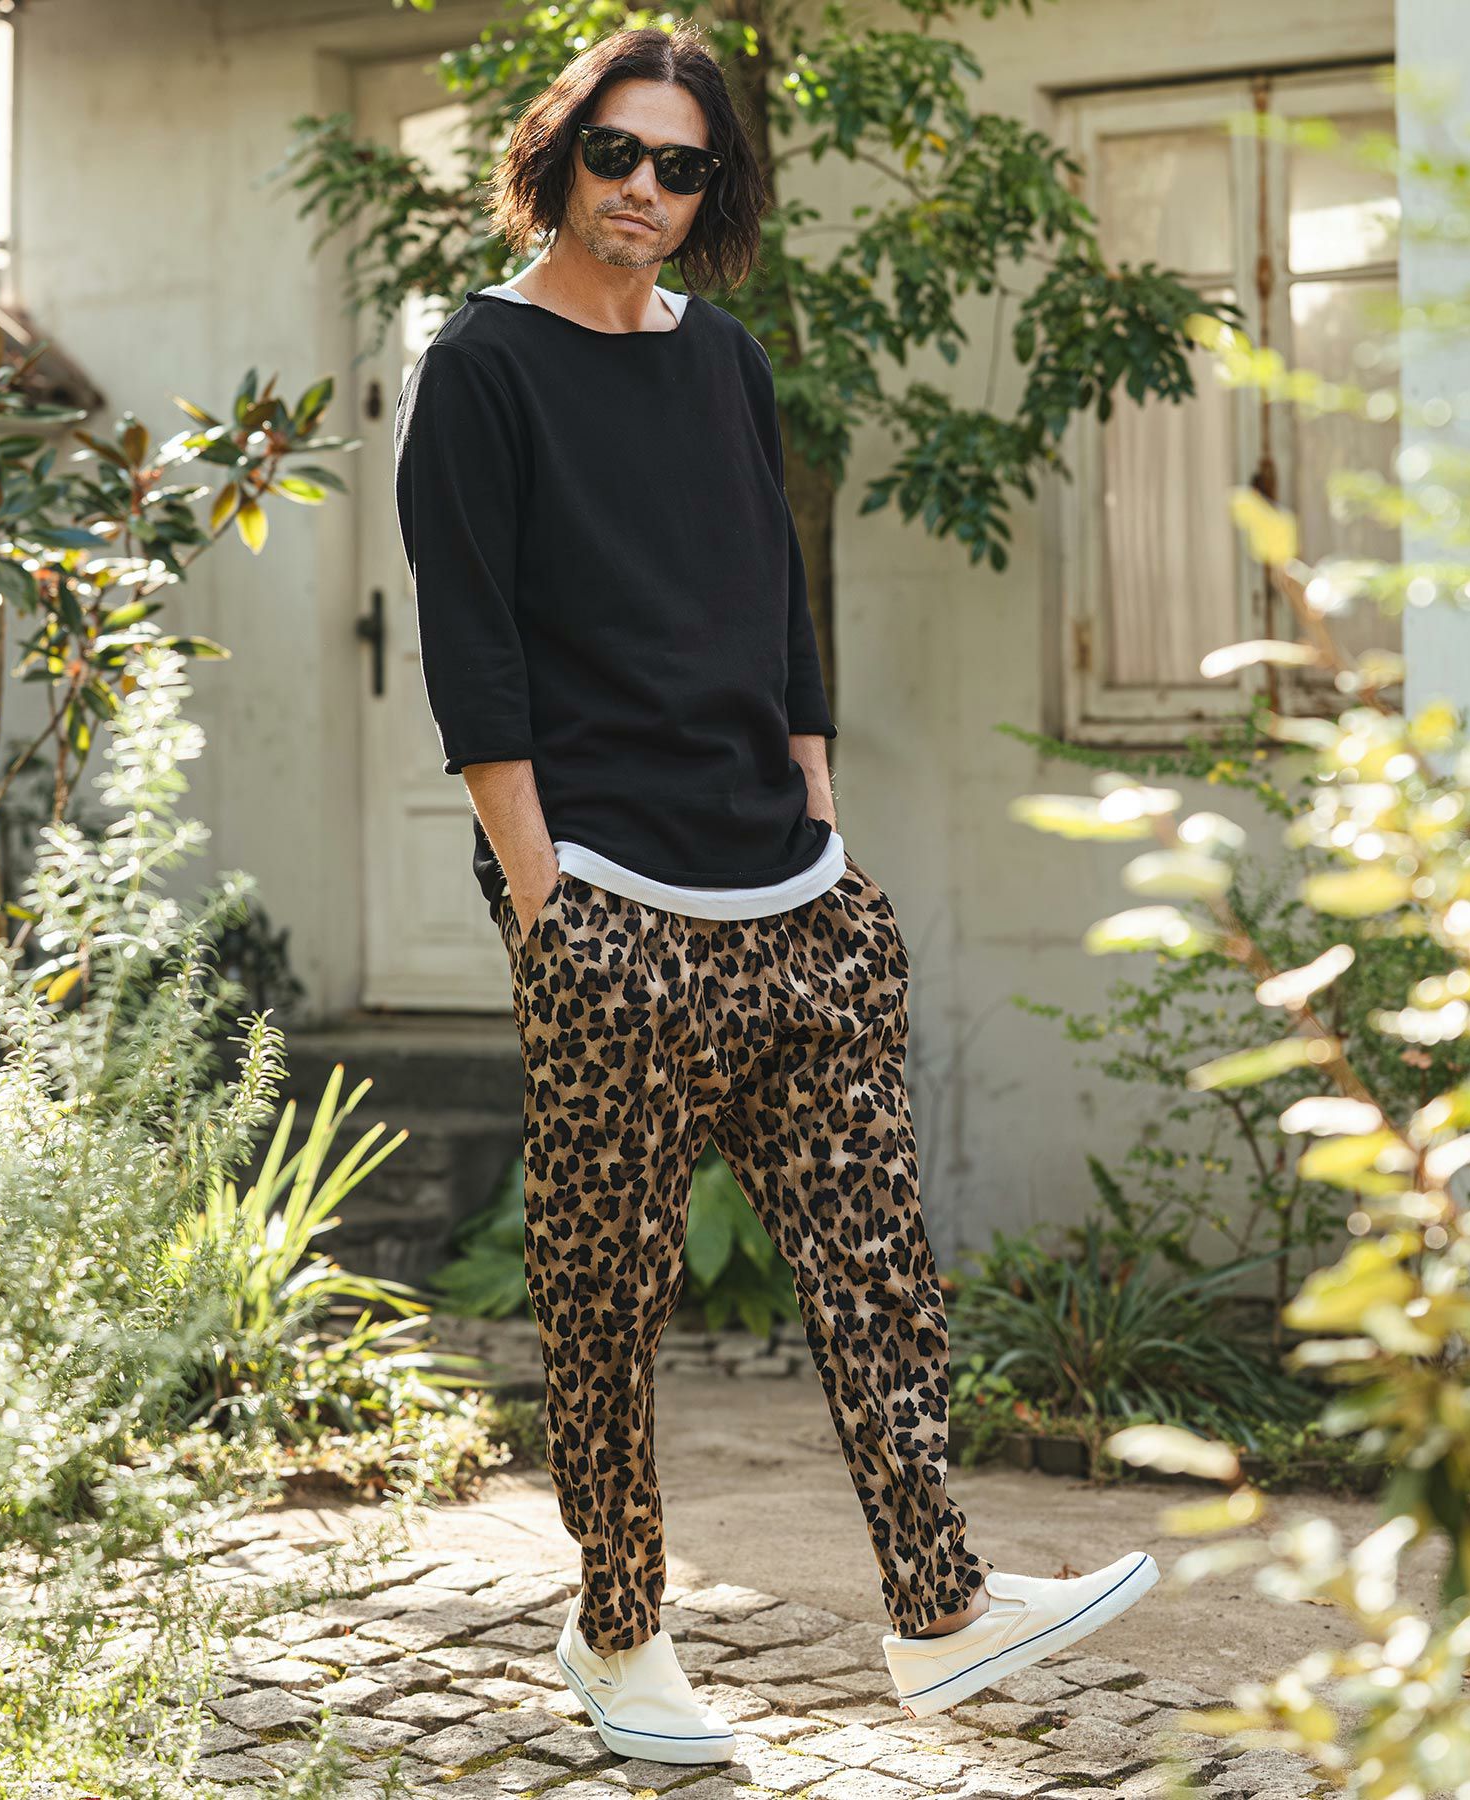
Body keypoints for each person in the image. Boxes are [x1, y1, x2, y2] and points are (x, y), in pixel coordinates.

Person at [393, 22, 1157, 1767]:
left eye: (682, 167)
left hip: (794, 893)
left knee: (878, 1268)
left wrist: (818, 800)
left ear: (710, 190)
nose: (644, 190)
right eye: (616, 154)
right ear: (558, 155)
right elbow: (473, 655)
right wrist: (545, 900)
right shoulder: (483, 368)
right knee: (607, 1297)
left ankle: (940, 1611)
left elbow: (776, 597)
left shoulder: (726, 360)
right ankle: (619, 1631)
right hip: (609, 901)